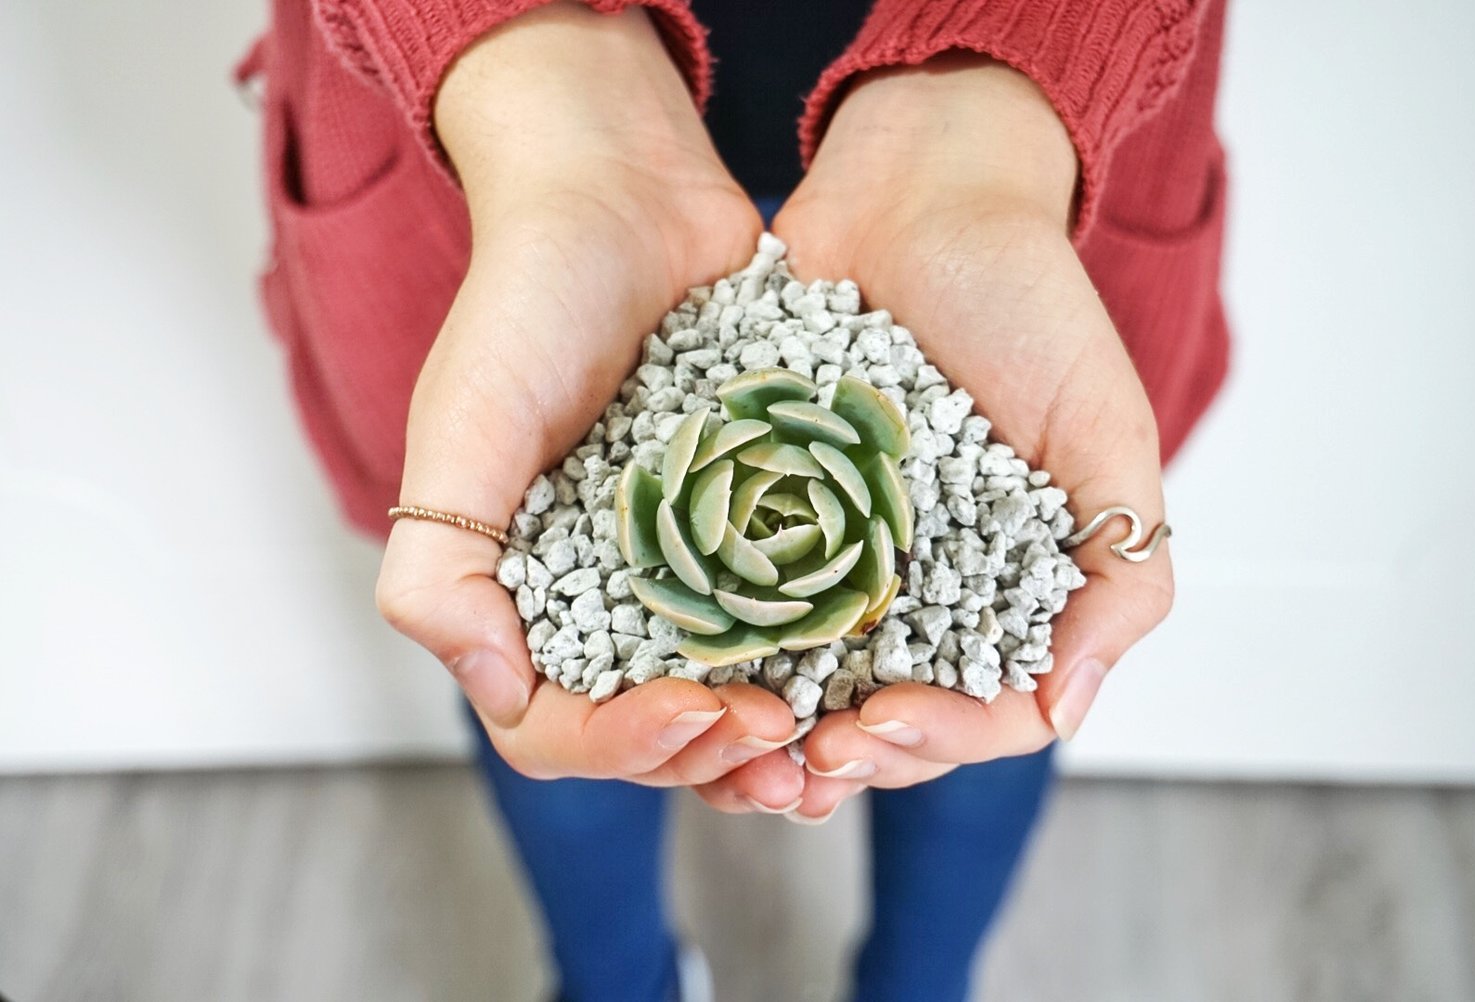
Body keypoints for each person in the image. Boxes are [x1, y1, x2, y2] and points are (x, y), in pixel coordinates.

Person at [239, 0, 1230, 998]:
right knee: (536, 681)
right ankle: (615, 983)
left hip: (1023, 139)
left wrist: (988, 127)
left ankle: (920, 985)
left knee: (992, 691)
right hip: (499, 147)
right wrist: (552, 98)